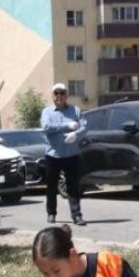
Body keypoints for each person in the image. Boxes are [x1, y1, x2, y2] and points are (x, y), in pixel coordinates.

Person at [39, 83, 87, 226]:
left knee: (73, 186)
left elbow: (84, 127)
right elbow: (46, 127)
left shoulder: (75, 110)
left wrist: (76, 134)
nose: (59, 96)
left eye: (62, 93)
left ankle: (76, 215)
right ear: (52, 96)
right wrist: (67, 125)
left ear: (67, 95)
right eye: (56, 93)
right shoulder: (47, 112)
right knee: (51, 186)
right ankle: (51, 213)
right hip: (53, 155)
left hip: (71, 154)